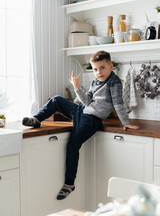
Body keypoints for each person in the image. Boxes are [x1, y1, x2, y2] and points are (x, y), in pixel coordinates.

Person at [22, 50, 139, 200]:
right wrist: (76, 87)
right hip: (82, 111)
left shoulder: (114, 82)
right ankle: (37, 120)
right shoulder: (95, 82)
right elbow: (86, 101)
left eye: (102, 68)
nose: (99, 72)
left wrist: (126, 123)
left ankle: (69, 184)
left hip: (92, 119)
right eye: (95, 69)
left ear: (111, 66)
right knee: (57, 99)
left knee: (72, 145)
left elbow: (118, 103)